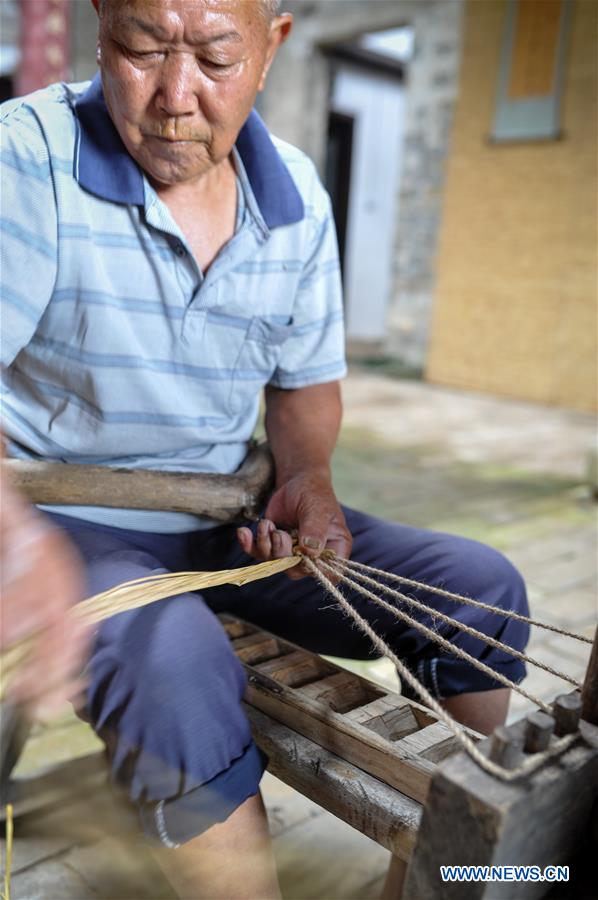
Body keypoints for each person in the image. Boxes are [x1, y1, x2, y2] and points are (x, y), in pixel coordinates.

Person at [0, 1, 530, 896]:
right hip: (58, 518)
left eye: (214, 57)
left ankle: (452, 871)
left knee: (480, 591)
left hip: (222, 513)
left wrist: (309, 480)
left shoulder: (293, 193)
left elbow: (303, 384)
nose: (176, 96)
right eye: (141, 48)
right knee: (173, 662)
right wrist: (17, 547)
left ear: (272, 47)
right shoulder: (27, 157)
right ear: (100, 26)